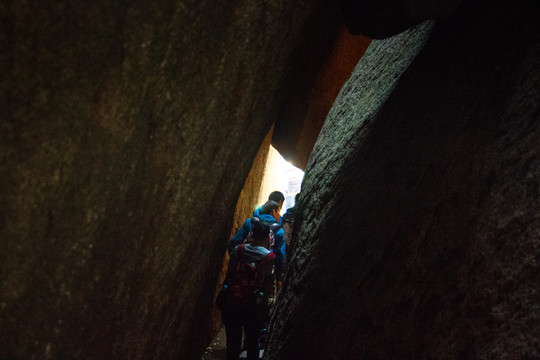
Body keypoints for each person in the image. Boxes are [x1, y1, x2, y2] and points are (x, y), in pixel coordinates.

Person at [222, 220, 275, 360]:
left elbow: (230, 275)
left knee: (233, 342)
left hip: (232, 301)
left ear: (252, 235)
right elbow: (266, 283)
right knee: (252, 342)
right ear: (266, 237)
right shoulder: (268, 257)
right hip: (252, 306)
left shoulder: (237, 250)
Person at [229, 200, 286, 283]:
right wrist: (279, 278)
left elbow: (234, 242)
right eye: (278, 212)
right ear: (273, 212)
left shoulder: (249, 222)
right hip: (258, 279)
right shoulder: (278, 231)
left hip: (238, 275)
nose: (279, 215)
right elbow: (280, 257)